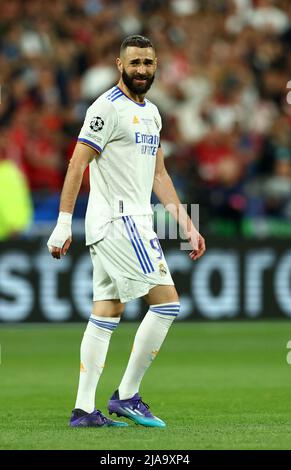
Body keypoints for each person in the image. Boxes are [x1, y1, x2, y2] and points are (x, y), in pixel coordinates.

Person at [47, 35, 206, 428]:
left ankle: (84, 410)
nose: (141, 70)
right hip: (120, 222)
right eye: (134, 62)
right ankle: (127, 396)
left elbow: (159, 174)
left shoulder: (152, 112)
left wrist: (187, 225)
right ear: (119, 65)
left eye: (148, 63)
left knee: (107, 311)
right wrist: (63, 224)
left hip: (129, 222)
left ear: (156, 66)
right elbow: (76, 164)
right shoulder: (106, 108)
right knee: (167, 303)